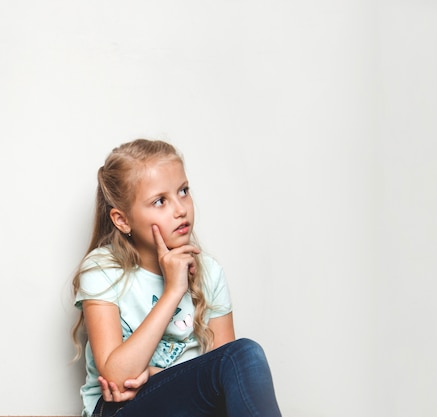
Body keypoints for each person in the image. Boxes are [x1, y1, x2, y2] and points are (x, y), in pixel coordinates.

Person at [71, 139, 282, 417]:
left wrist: (152, 372)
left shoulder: (210, 271)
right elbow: (117, 378)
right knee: (241, 354)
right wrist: (173, 291)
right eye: (160, 201)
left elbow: (227, 378)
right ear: (122, 220)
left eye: (183, 191)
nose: (180, 209)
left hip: (187, 407)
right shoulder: (102, 269)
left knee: (244, 354)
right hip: (120, 408)